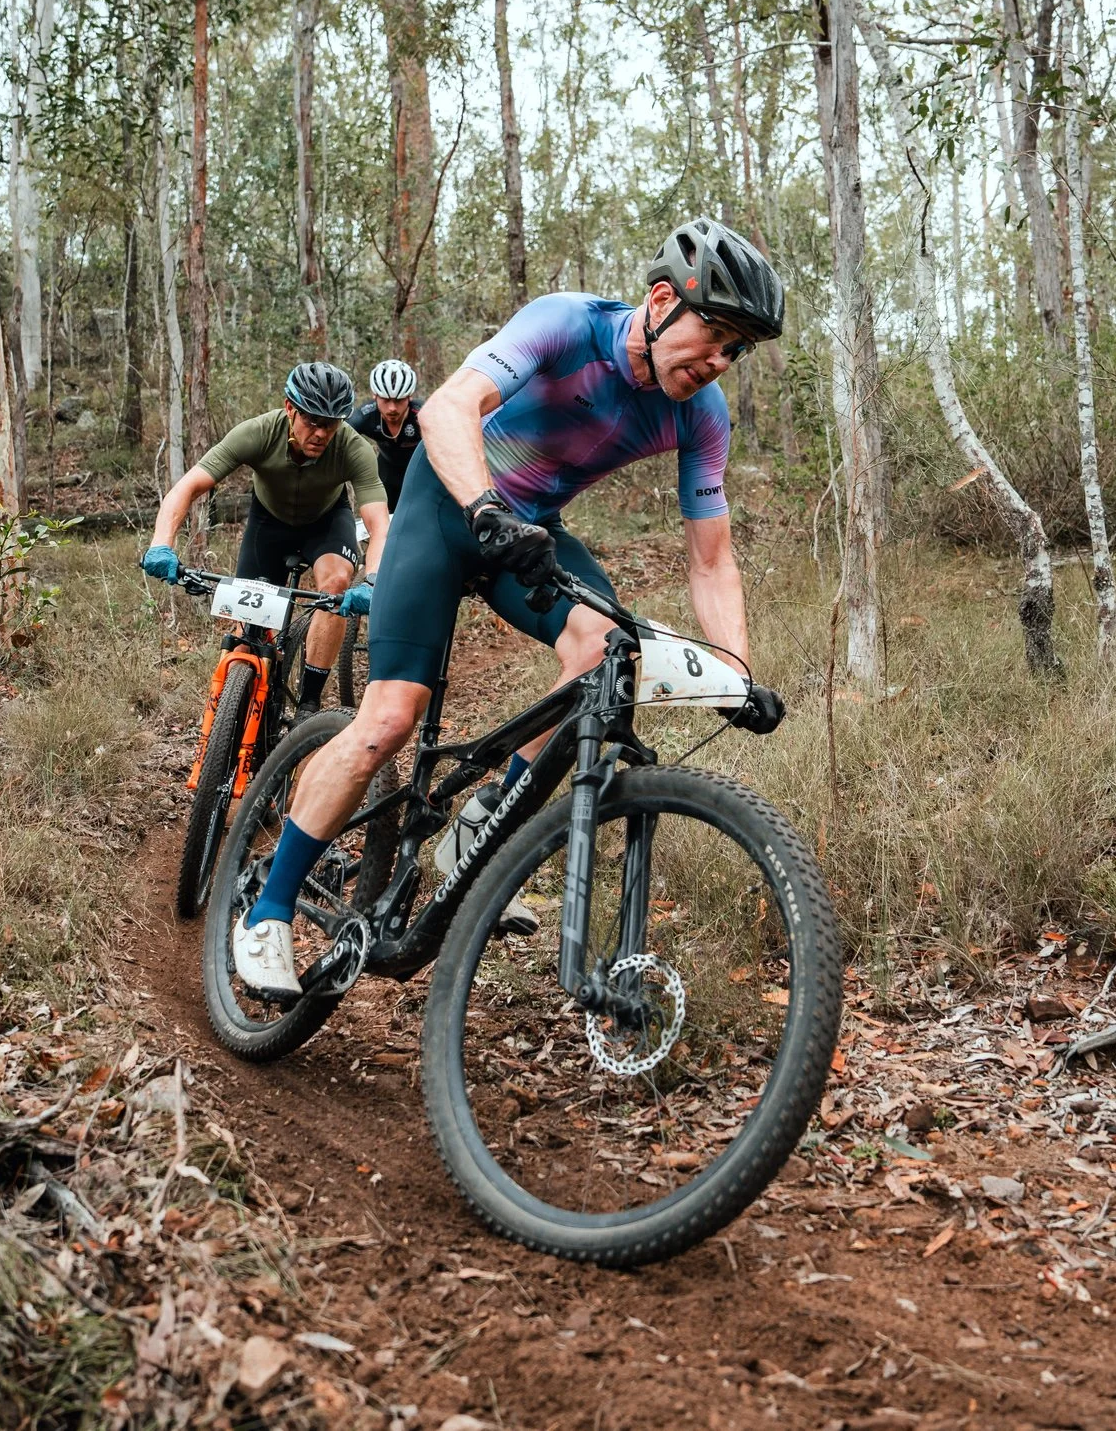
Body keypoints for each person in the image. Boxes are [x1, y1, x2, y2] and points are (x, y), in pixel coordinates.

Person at [221, 218, 789, 995]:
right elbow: (449, 408)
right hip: (445, 505)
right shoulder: (566, 325)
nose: (719, 360)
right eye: (715, 334)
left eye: (736, 350)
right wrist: (484, 505)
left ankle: (484, 817)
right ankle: (268, 908)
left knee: (605, 650)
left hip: (528, 531)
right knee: (390, 717)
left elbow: (711, 554)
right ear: (662, 299)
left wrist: (735, 670)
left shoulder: (702, 413)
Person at [142, 363, 389, 715]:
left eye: (331, 424)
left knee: (335, 584)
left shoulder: (353, 448)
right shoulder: (257, 433)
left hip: (326, 523)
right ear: (290, 408)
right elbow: (188, 486)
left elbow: (378, 524)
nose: (321, 433)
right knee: (245, 640)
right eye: (312, 421)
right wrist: (161, 544)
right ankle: (231, 720)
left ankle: (308, 703)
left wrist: (374, 580)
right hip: (268, 524)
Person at [347, 358, 423, 508]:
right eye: (386, 400)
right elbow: (337, 437)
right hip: (387, 472)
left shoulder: (422, 414)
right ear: (375, 395)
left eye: (399, 400)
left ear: (410, 397)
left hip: (419, 474)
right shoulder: (366, 415)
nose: (392, 408)